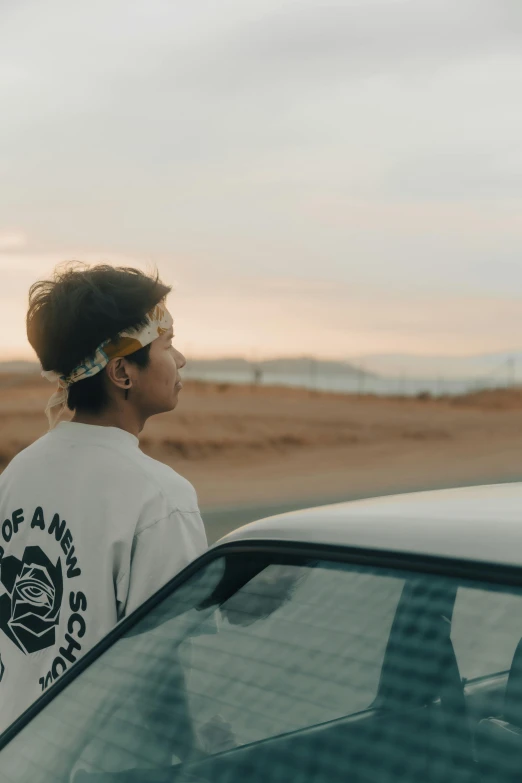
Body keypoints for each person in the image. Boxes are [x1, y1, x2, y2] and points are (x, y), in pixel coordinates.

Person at [0, 263, 207, 733]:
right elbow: (160, 668)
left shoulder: (19, 472)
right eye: (168, 345)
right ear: (121, 371)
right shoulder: (159, 498)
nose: (181, 361)